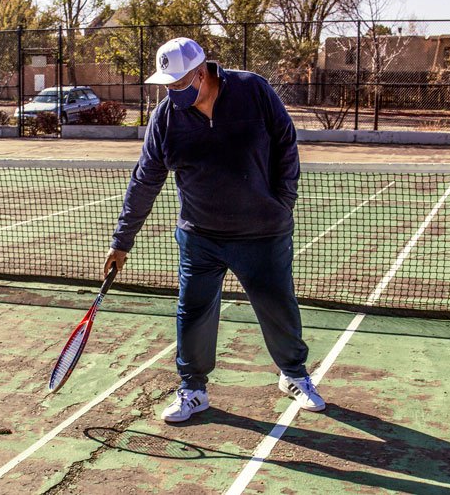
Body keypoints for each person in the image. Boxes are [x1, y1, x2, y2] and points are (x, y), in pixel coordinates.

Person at [103, 37, 325, 423]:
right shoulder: (165, 118)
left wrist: (281, 201)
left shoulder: (253, 90)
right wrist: (121, 242)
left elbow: (286, 143)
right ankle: (193, 389)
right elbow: (145, 180)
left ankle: (293, 375)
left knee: (278, 307)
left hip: (262, 233)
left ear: (201, 73)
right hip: (200, 237)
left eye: (178, 84)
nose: (172, 92)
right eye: (167, 86)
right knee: (192, 312)